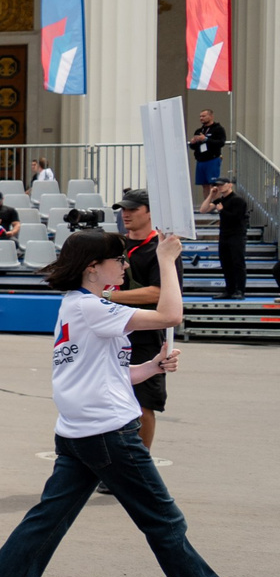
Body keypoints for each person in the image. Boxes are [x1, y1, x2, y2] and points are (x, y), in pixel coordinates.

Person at [0, 229, 265, 577]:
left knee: (48, 518)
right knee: (164, 523)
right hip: (109, 433)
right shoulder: (92, 307)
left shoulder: (77, 307)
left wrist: (152, 368)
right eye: (119, 259)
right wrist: (166, 259)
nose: (125, 265)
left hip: (80, 431)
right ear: (94, 267)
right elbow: (171, 316)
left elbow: (104, 372)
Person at [110, 190, 170, 448]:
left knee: (143, 404)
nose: (126, 213)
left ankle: (138, 463)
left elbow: (159, 292)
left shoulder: (162, 249)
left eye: (133, 209)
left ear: (149, 211)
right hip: (114, 330)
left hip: (146, 333)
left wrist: (109, 297)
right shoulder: (117, 245)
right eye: (124, 209)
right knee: (112, 399)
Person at [205, 178, 249, 297]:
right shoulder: (220, 200)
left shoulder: (238, 200)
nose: (219, 187)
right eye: (217, 185)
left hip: (237, 235)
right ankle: (229, 290)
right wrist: (211, 195)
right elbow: (203, 209)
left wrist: (222, 211)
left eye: (222, 185)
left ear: (230, 185)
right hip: (224, 235)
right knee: (225, 263)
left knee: (238, 262)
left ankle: (240, 290)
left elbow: (236, 217)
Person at [189, 109, 226, 200]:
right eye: (200, 116)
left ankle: (215, 205)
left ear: (211, 116)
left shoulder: (218, 129)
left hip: (212, 159)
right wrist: (193, 142)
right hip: (201, 161)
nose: (201, 118)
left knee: (213, 184)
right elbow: (193, 147)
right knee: (204, 184)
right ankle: (207, 205)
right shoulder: (199, 130)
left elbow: (221, 143)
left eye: (204, 116)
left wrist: (206, 139)